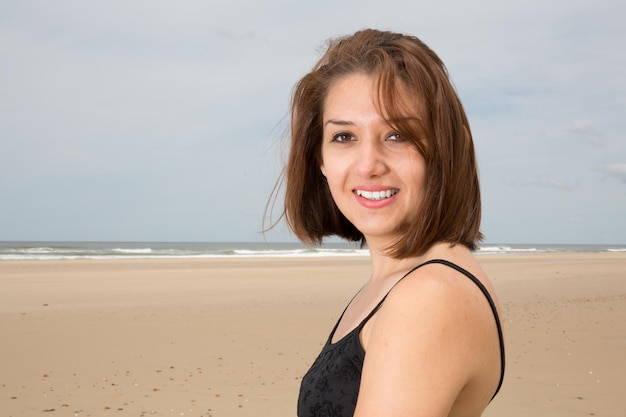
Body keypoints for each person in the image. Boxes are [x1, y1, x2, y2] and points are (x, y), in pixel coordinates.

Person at [275, 28, 505, 417]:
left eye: (398, 135)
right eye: (344, 136)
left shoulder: (430, 296)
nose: (368, 165)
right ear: (320, 160)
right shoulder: (401, 281)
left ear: (447, 149)